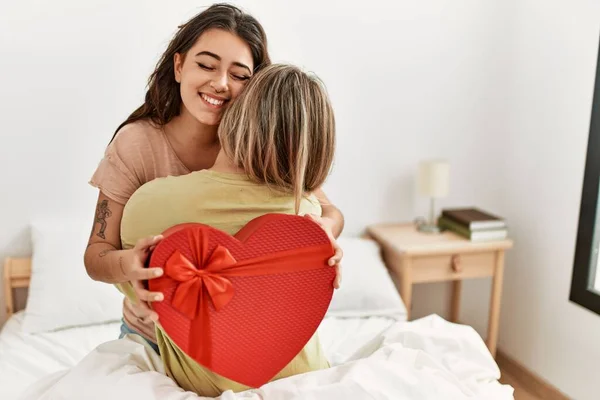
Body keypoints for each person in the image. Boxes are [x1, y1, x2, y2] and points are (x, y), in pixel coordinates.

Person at [84, 3, 344, 355]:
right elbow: (96, 254)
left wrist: (320, 237)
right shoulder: (137, 144)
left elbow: (329, 211)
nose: (220, 83)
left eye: (239, 75)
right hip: (154, 339)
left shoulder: (258, 142)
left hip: (246, 339)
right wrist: (130, 266)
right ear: (179, 66)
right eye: (206, 65)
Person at [119, 62, 337, 396]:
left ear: (235, 116)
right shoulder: (307, 213)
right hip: (310, 382)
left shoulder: (149, 203)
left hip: (208, 387)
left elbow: (139, 293)